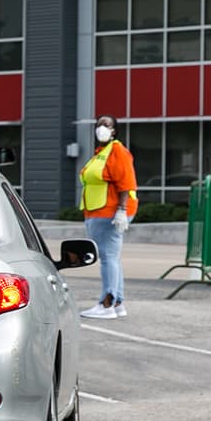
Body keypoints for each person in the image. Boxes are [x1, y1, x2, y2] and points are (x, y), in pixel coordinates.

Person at [78, 115, 138, 319]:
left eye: (106, 125)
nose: (101, 128)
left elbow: (126, 182)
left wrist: (121, 210)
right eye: (98, 125)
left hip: (109, 211)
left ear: (114, 131)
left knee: (108, 258)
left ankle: (107, 304)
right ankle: (117, 303)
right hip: (98, 211)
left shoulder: (117, 150)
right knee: (112, 258)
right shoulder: (101, 153)